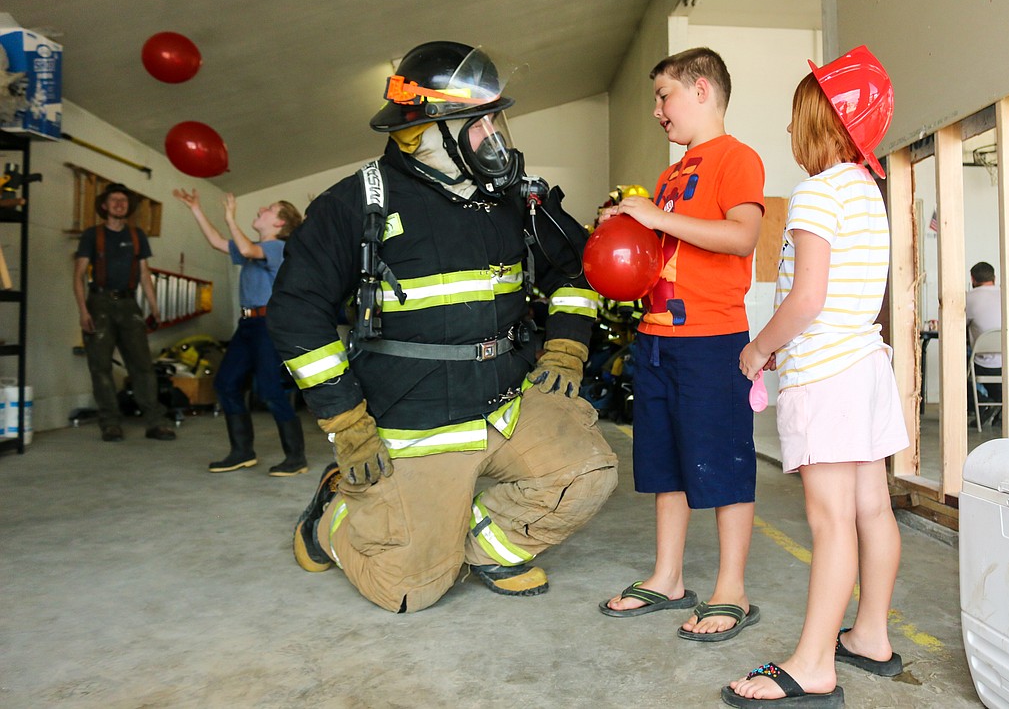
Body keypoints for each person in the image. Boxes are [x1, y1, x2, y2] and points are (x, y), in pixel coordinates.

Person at [267, 40, 618, 612]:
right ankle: (332, 518)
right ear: (431, 131)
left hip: (508, 399)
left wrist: (565, 351)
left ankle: (482, 551)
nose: (497, 135)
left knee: (589, 472)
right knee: (409, 590)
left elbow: (577, 269)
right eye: (481, 123)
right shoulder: (355, 202)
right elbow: (295, 313)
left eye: (496, 119)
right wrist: (348, 425)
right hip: (416, 414)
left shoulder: (516, 199)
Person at [722, 46, 906, 708]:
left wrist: (757, 349)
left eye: (798, 117)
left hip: (824, 375)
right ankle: (872, 637)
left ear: (820, 124)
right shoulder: (867, 191)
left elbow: (805, 300)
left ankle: (813, 663)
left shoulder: (816, 193)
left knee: (830, 523)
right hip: (865, 367)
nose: (792, 131)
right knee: (872, 511)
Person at [598, 47, 765, 643]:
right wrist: (623, 228)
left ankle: (731, 590)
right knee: (666, 464)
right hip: (656, 340)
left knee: (722, 462)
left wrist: (656, 220)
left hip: (711, 341)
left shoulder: (735, 158)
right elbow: (656, 252)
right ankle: (668, 578)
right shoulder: (671, 175)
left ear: (701, 89)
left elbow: (742, 237)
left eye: (664, 96)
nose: (656, 111)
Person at [172, 188, 306, 476]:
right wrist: (195, 208)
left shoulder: (279, 247)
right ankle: (242, 452)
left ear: (280, 223)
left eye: (269, 209)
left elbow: (245, 249)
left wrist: (231, 217)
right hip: (247, 325)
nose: (261, 210)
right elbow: (218, 242)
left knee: (270, 391)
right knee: (226, 384)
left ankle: (296, 457)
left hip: (268, 325)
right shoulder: (255, 247)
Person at [73, 184, 176, 443]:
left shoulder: (137, 235)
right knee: (100, 367)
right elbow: (78, 276)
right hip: (99, 303)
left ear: (128, 206)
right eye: (114, 200)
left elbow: (144, 273)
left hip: (130, 305)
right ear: (104, 206)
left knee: (142, 365)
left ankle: (155, 422)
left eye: (123, 200)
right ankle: (110, 424)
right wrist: (83, 311)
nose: (119, 204)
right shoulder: (91, 235)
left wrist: (153, 306)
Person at [966, 261, 1002, 417]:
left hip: (983, 365)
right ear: (994, 278)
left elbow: (958, 327)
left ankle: (981, 403)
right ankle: (1000, 404)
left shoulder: (969, 298)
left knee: (953, 364)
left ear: (972, 279)